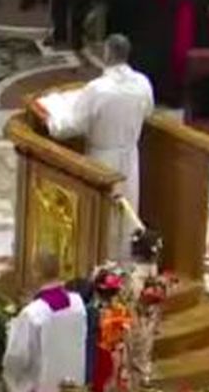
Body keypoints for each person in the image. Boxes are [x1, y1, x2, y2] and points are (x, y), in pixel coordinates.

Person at [39, 35, 155, 257]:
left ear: (106, 54)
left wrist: (50, 116)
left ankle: (100, 266)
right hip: (130, 158)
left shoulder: (98, 89)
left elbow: (69, 127)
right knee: (126, 214)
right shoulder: (142, 82)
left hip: (101, 160)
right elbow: (148, 111)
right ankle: (123, 264)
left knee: (102, 217)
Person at [1, 253, 87, 392]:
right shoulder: (77, 303)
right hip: (73, 388)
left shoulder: (33, 313)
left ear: (36, 273)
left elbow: (16, 358)